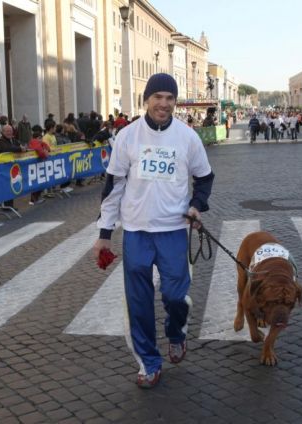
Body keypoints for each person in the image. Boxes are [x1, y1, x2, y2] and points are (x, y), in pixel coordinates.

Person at [92, 73, 214, 389]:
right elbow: (113, 186)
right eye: (157, 96)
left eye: (169, 98)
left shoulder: (188, 138)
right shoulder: (127, 137)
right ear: (147, 99)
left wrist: (196, 205)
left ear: (175, 102)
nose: (163, 103)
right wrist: (105, 232)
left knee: (176, 297)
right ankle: (149, 361)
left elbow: (204, 178)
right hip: (137, 232)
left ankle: (176, 333)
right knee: (139, 302)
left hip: (174, 230)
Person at [27, 125, 50, 205]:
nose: (41, 140)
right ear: (37, 138)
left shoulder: (36, 142)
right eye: (40, 138)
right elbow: (40, 151)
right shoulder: (34, 143)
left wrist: (46, 148)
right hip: (34, 166)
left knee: (38, 182)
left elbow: (45, 145)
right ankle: (33, 199)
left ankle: (36, 198)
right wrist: (46, 155)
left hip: (36, 165)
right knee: (36, 182)